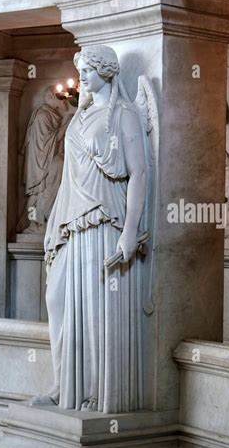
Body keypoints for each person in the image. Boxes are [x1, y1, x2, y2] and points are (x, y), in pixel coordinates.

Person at [32, 45, 148, 413]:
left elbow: (139, 173)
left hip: (104, 221)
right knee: (58, 298)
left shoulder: (124, 115)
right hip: (72, 218)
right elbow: (68, 175)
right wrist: (55, 223)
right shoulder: (79, 118)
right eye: (79, 69)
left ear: (107, 71)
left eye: (88, 69)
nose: (81, 76)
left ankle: (96, 390)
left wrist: (131, 231)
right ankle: (65, 383)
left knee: (97, 307)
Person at [18, 87, 71, 234]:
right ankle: (31, 223)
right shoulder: (42, 115)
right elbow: (47, 142)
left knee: (46, 188)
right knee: (39, 191)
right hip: (40, 162)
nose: (62, 100)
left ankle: (38, 222)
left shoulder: (50, 114)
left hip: (46, 159)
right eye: (58, 97)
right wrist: (66, 125)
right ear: (50, 97)